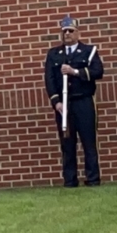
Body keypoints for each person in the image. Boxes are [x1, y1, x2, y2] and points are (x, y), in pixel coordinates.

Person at [43, 16, 106, 187]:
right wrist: (56, 103)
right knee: (67, 143)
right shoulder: (54, 54)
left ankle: (92, 179)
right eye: (64, 32)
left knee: (89, 142)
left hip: (83, 101)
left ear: (78, 32)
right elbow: (49, 80)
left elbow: (97, 71)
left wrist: (75, 72)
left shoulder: (89, 51)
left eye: (71, 31)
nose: (67, 34)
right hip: (64, 104)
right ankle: (70, 180)